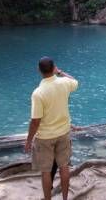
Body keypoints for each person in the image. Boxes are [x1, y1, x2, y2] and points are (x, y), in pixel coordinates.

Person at [24, 57, 78, 200]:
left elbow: (35, 121)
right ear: (54, 68)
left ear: (39, 70)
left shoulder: (38, 93)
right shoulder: (64, 83)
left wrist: (29, 141)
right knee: (64, 166)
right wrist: (60, 72)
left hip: (45, 138)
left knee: (46, 172)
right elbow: (75, 81)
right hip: (63, 133)